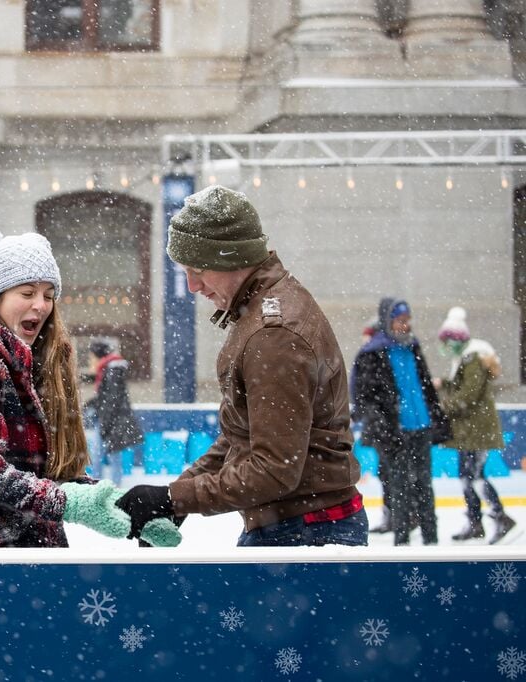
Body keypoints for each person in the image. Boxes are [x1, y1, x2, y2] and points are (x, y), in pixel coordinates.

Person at [115, 185, 366, 547]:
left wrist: (175, 498)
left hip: (305, 531)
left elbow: (274, 469)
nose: (192, 286)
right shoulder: (264, 312)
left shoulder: (272, 336)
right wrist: (176, 496)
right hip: (300, 524)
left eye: (199, 269)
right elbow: (244, 436)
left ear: (232, 256)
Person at [0, 226, 180, 548]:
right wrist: (68, 502)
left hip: (38, 556)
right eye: (27, 293)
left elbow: (44, 477)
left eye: (48, 295)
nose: (41, 305)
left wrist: (120, 504)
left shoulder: (34, 365)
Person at [352, 298, 451, 546]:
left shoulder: (412, 347)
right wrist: (384, 427)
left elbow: (426, 386)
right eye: (400, 320)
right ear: (387, 320)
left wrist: (436, 419)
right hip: (394, 432)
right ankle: (402, 541)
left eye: (407, 320)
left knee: (424, 486)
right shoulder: (372, 353)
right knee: (399, 489)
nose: (405, 326)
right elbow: (365, 398)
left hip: (421, 427)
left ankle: (431, 540)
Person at [435, 306, 518, 544]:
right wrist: (444, 385)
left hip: (476, 427)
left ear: (458, 339)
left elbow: (469, 394)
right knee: (467, 475)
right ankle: (475, 522)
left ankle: (499, 516)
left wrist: (443, 407)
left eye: (448, 340)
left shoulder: (473, 358)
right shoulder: (464, 358)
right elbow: (463, 388)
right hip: (468, 428)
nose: (445, 345)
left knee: (473, 475)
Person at [351, 317, 394, 534]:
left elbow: (367, 394)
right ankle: (395, 515)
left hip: (382, 425)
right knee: (387, 472)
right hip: (380, 424)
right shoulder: (377, 355)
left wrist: (359, 414)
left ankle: (394, 516)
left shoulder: (374, 356)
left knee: (389, 473)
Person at [84, 338, 144, 486]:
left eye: (91, 357)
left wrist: (106, 422)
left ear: (98, 355)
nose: (90, 361)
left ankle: (104, 487)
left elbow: (111, 399)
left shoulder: (112, 370)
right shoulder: (108, 369)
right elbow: (106, 397)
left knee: (103, 454)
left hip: (111, 421)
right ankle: (105, 485)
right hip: (109, 419)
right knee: (109, 454)